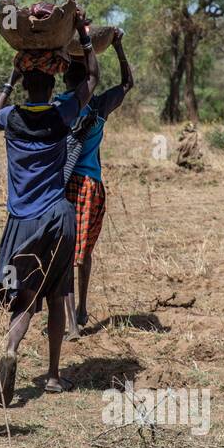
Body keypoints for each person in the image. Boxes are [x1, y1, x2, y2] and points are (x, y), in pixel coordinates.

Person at [0, 38, 96, 406]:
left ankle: (11, 346)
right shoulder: (62, 113)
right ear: (51, 86)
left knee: (23, 295)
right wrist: (83, 36)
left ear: (25, 84)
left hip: (22, 223)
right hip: (59, 218)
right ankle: (52, 375)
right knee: (57, 292)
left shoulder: (11, 117)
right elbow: (92, 78)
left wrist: (9, 80)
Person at [62, 28, 134, 338]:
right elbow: (127, 83)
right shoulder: (100, 106)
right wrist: (118, 47)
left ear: (65, 81)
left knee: (63, 253)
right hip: (92, 186)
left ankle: (70, 321)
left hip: (63, 185)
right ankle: (80, 310)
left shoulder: (60, 106)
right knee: (84, 251)